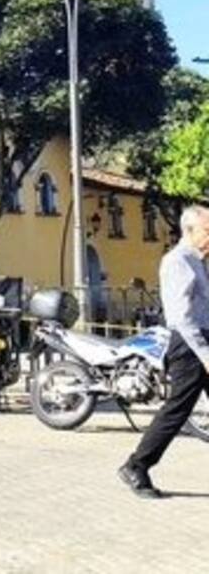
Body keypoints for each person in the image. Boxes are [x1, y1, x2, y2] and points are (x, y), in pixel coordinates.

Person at [119, 204, 209, 498]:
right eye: (208, 231)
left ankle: (138, 464)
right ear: (190, 230)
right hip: (188, 345)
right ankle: (136, 465)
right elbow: (182, 317)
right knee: (177, 410)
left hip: (201, 339)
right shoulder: (177, 261)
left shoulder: (197, 260)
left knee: (178, 409)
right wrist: (205, 354)